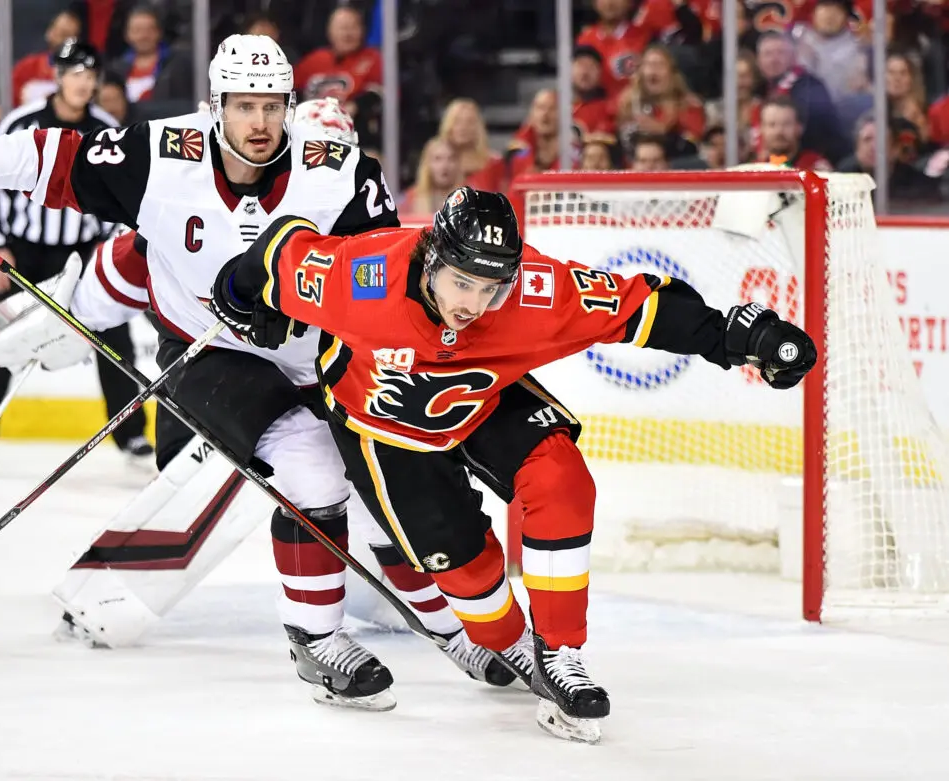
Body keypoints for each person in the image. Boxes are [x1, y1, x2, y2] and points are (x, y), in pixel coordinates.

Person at [0, 34, 514, 711]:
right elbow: (55, 159)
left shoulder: (339, 171)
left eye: (272, 106)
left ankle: (457, 630)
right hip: (209, 355)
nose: (260, 122)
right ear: (215, 106)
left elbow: (386, 274)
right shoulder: (162, 156)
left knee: (389, 483)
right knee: (311, 464)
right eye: (244, 106)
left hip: (318, 360)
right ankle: (316, 639)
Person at [206, 186, 817, 741]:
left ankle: (561, 652)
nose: (474, 303)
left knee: (561, 480)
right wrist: (237, 291)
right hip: (384, 427)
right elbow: (283, 249)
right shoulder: (362, 279)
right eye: (461, 283)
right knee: (474, 588)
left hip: (488, 397)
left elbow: (640, 308)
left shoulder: (536, 291)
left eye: (491, 288)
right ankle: (508, 639)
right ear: (430, 260)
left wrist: (744, 338)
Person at [0, 39, 150, 463]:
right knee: (2, 336)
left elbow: (120, 187)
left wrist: (111, 242)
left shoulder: (105, 126)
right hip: (25, 253)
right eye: (76, 74)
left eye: (90, 75)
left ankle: (131, 435)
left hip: (84, 253)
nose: (84, 83)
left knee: (114, 337)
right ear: (59, 77)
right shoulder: (21, 123)